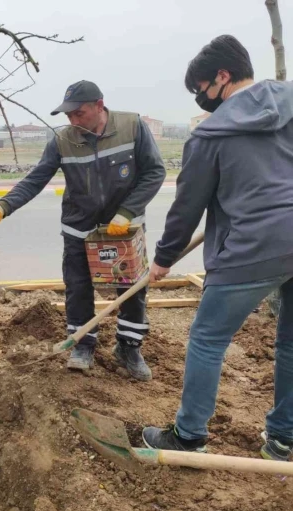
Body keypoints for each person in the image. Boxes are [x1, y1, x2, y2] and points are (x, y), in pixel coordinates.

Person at [142, 35, 293, 462]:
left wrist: (164, 258)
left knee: (208, 338)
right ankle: (283, 440)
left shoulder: (210, 134)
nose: (202, 100)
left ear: (222, 77)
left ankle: (188, 435)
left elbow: (188, 205)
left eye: (202, 89)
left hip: (254, 245)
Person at [0, 81, 165, 379]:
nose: (74, 121)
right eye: (69, 116)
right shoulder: (62, 140)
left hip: (123, 231)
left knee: (131, 290)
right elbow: (36, 178)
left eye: (80, 113)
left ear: (99, 105)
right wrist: (4, 207)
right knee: (78, 288)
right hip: (79, 229)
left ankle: (129, 347)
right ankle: (82, 344)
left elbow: (155, 172)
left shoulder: (132, 126)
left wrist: (127, 212)